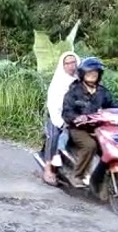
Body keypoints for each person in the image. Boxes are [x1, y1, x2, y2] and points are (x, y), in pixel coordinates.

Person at [62, 57, 118, 188]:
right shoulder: (74, 92)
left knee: (115, 144)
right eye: (89, 73)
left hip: (99, 127)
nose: (92, 75)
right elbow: (67, 112)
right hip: (78, 128)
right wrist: (78, 118)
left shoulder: (102, 92)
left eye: (95, 73)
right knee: (90, 145)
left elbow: (114, 105)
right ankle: (77, 175)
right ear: (83, 74)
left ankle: (110, 175)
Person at [42, 51, 80, 185]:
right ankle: (48, 169)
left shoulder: (81, 79)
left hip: (79, 117)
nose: (71, 66)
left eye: (73, 62)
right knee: (54, 136)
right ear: (62, 65)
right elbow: (54, 105)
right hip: (58, 116)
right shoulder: (58, 82)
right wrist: (61, 122)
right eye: (67, 63)